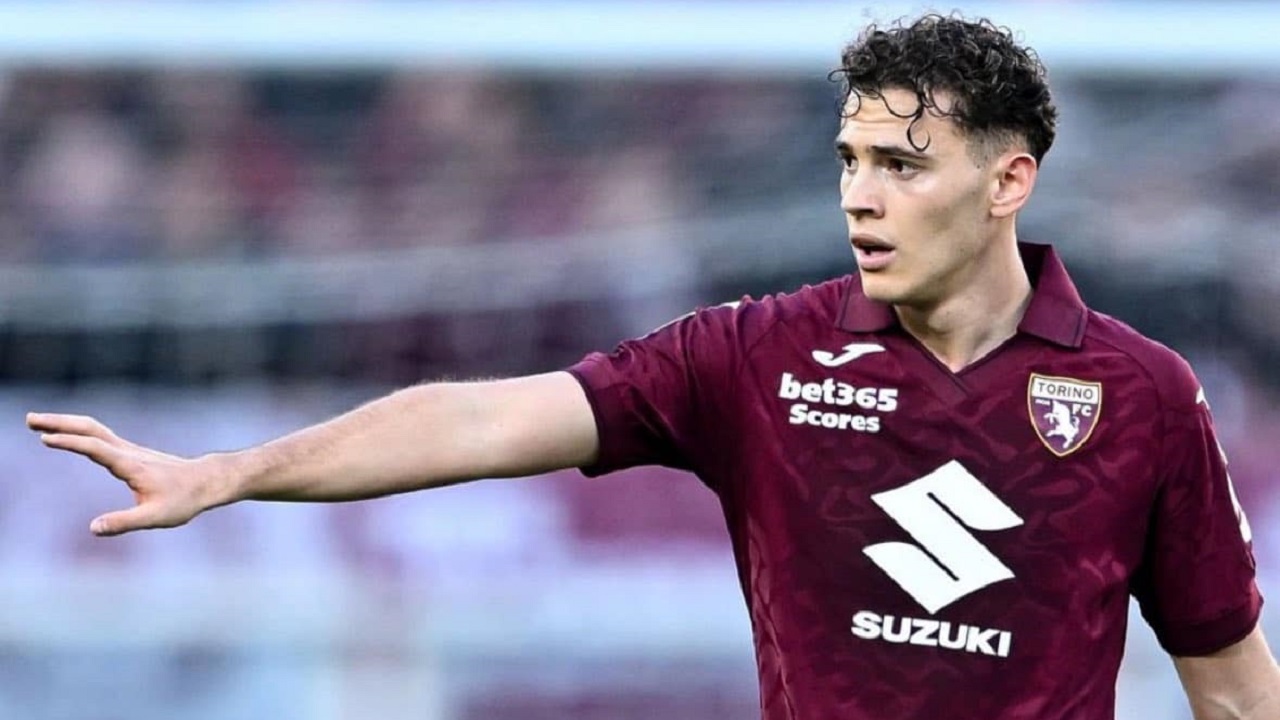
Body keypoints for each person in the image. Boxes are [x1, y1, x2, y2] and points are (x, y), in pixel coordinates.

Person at [27, 13, 1280, 720]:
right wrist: (237, 471)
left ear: (1008, 181)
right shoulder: (755, 353)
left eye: (901, 166)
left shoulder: (1140, 396)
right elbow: (481, 422)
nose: (860, 196)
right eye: (849, 161)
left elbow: (1229, 691)